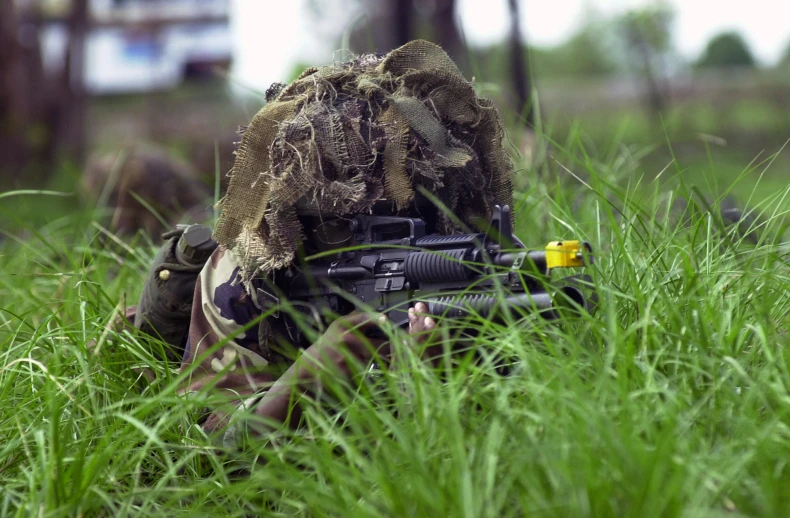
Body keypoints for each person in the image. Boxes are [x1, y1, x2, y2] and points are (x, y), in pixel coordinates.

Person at [168, 40, 515, 441]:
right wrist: (301, 386)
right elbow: (205, 448)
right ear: (291, 217)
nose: (379, 243)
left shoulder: (474, 260)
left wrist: (443, 384)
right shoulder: (248, 271)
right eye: (340, 227)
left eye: (407, 219)